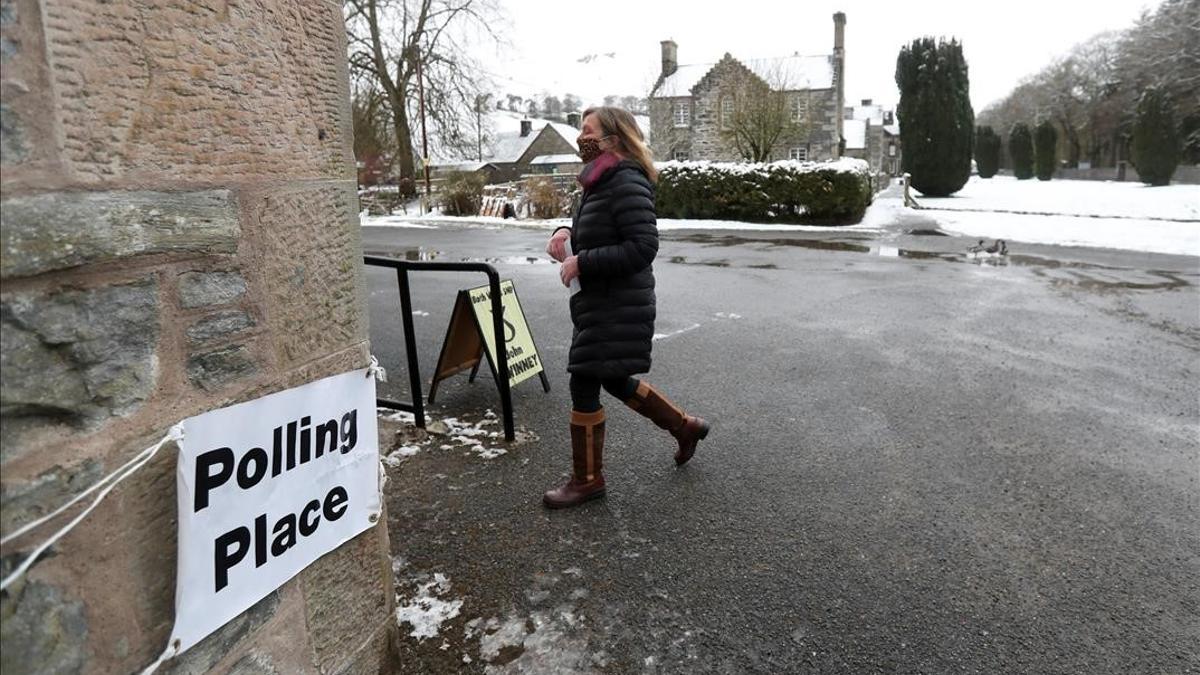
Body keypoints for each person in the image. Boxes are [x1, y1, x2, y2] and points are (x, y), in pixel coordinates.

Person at [542, 106, 710, 509]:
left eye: (588, 131)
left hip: (617, 302)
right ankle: (684, 427)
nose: (581, 137)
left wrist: (583, 261)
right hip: (599, 301)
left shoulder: (625, 180)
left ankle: (587, 480)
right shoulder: (599, 181)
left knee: (583, 379)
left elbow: (642, 247)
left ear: (612, 139)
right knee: (614, 378)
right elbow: (596, 230)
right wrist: (564, 231)